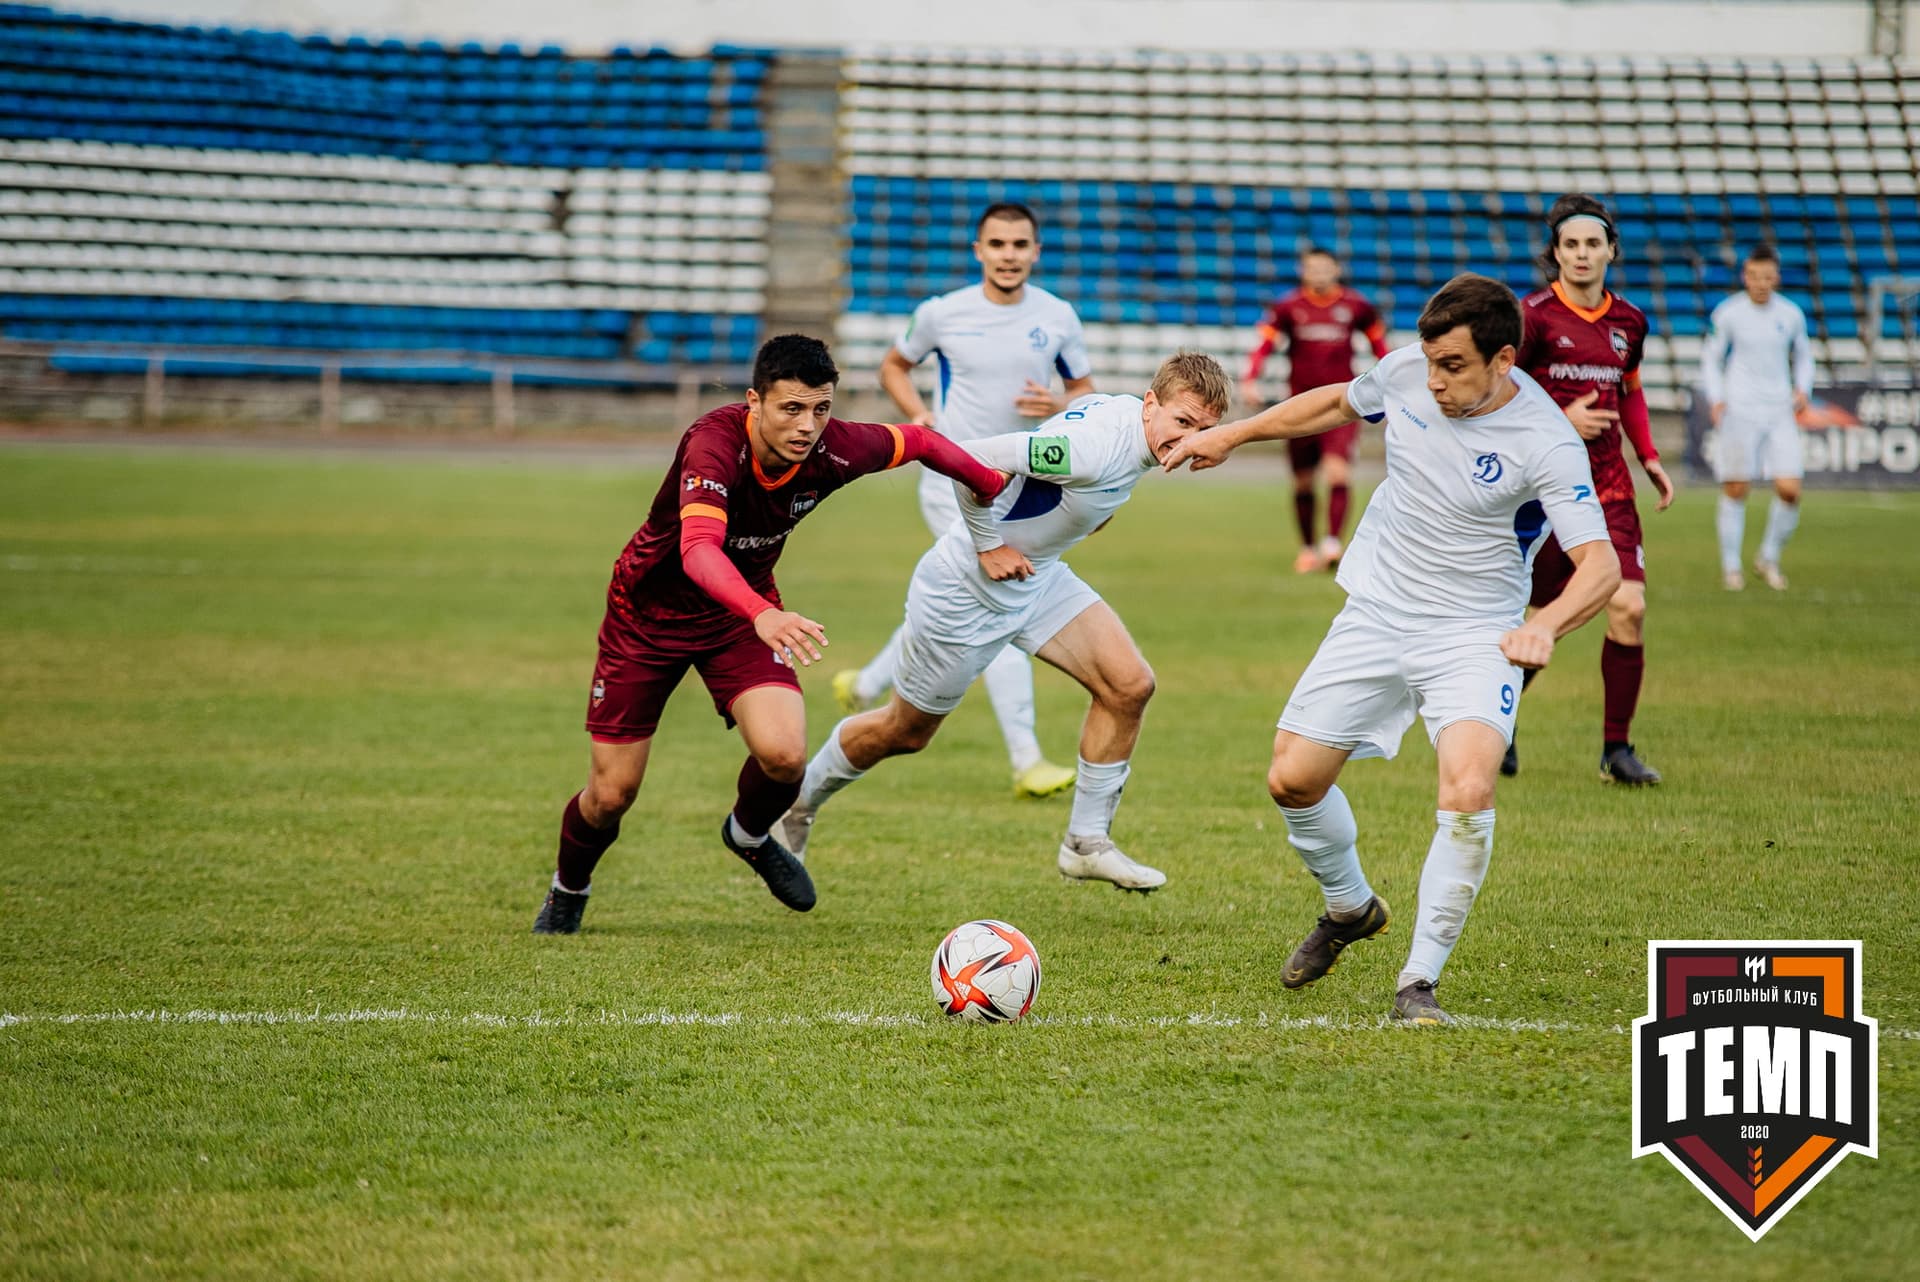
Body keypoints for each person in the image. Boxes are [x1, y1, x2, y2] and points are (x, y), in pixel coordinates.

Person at [1164, 275, 1620, 1025]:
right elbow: (1337, 402)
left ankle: (1418, 982)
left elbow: (1597, 565)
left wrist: (1549, 623)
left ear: (1504, 360)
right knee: (1291, 780)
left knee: (1469, 790)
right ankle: (1349, 909)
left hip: (1474, 632)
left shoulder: (1545, 440)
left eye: (1454, 367)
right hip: (1378, 608)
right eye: (1431, 360)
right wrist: (1233, 432)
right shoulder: (1410, 369)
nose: (1433, 378)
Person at [531, 334, 1008, 934]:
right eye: (791, 408)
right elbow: (699, 549)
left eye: (820, 409)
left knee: (785, 757)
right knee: (611, 795)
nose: (808, 425)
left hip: (739, 618)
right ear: (755, 401)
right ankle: (568, 888)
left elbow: (920, 441)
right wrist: (762, 613)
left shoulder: (835, 447)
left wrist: (991, 484)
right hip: (647, 620)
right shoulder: (712, 446)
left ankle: (748, 833)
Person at [777, 352, 1232, 892]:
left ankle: (1086, 844)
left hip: (1035, 578)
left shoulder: (1131, 424)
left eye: (1204, 431)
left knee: (1129, 685)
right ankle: (797, 805)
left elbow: (1081, 422)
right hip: (964, 588)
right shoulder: (1091, 451)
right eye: (1182, 424)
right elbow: (966, 458)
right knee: (904, 732)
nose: (1188, 441)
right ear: (1151, 404)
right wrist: (989, 545)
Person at [832, 202, 1095, 800]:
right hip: (952, 480)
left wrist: (1057, 406)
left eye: (1020, 244)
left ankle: (867, 683)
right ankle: (1027, 761)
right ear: (978, 250)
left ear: (1036, 251)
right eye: (997, 244)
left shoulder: (1057, 316)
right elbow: (893, 366)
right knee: (996, 606)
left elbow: (1085, 391)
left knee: (962, 593)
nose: (1009, 255)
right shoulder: (943, 313)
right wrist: (918, 416)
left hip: (1024, 486)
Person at [1507, 194, 1676, 785]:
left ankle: (1617, 751)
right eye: (1570, 245)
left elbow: (1629, 392)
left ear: (1610, 251)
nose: (1581, 254)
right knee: (1535, 614)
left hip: (1608, 489)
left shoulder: (1630, 322)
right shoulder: (1531, 319)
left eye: (1592, 244)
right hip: (1540, 493)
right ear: (1555, 254)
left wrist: (1648, 455)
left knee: (1628, 607)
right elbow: (1503, 399)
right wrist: (1562, 418)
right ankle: (1499, 718)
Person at [1240, 247, 1390, 573]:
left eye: (1324, 267)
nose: (1319, 273)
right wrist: (1250, 379)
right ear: (1303, 271)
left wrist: (1390, 381)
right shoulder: (1289, 307)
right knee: (1303, 483)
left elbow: (1381, 347)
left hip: (1342, 405)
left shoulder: (1356, 306)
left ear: (1336, 270)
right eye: (1312, 268)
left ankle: (1333, 544)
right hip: (1299, 406)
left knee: (1338, 473)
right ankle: (1308, 548)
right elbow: (1264, 345)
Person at [1701, 244, 1814, 591]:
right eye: (1754, 276)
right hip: (1741, 408)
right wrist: (1717, 398)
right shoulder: (1729, 313)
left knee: (1790, 489)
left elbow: (1804, 356)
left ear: (1776, 277)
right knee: (1737, 488)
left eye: (1767, 277)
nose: (1761, 283)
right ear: (1745, 276)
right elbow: (1711, 357)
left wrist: (1802, 389)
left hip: (1780, 410)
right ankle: (1731, 566)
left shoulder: (1791, 314)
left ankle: (1768, 557)